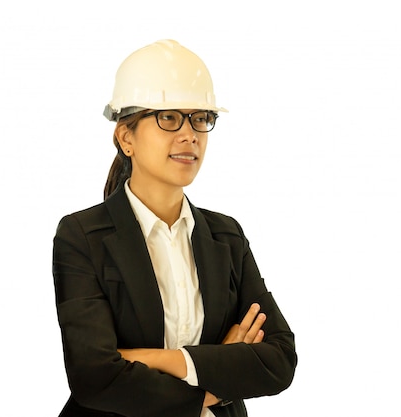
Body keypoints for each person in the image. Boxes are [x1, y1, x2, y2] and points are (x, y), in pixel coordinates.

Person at [52, 39, 297, 417]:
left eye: (200, 118)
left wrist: (159, 360)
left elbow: (280, 359)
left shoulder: (226, 237)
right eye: (168, 117)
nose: (190, 134)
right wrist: (218, 372)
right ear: (126, 137)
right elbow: (93, 375)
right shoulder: (83, 236)